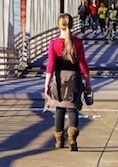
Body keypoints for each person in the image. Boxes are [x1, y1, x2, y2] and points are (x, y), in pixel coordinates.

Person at [44, 13, 93, 151]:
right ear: (72, 25)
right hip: (75, 79)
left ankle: (59, 141)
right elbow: (83, 64)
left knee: (59, 109)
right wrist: (88, 83)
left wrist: (46, 84)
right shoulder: (77, 42)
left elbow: (51, 65)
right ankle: (72, 139)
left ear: (58, 26)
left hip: (60, 79)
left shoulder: (54, 43)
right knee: (73, 109)